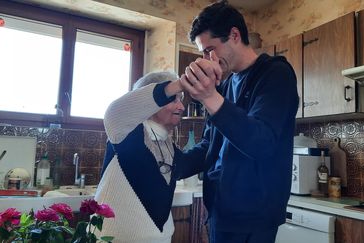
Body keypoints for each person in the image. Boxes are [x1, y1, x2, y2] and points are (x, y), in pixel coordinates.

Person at [178, 1, 300, 242]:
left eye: (210, 49)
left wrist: (209, 97)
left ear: (234, 35)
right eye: (203, 52)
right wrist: (170, 165)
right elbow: (208, 147)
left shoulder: (275, 74)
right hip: (219, 211)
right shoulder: (223, 87)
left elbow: (262, 143)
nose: (207, 58)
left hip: (253, 218)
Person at [94, 71, 185, 243]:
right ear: (148, 103)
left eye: (181, 99)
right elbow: (115, 112)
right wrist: (181, 83)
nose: (181, 107)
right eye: (174, 99)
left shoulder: (168, 144)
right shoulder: (124, 131)